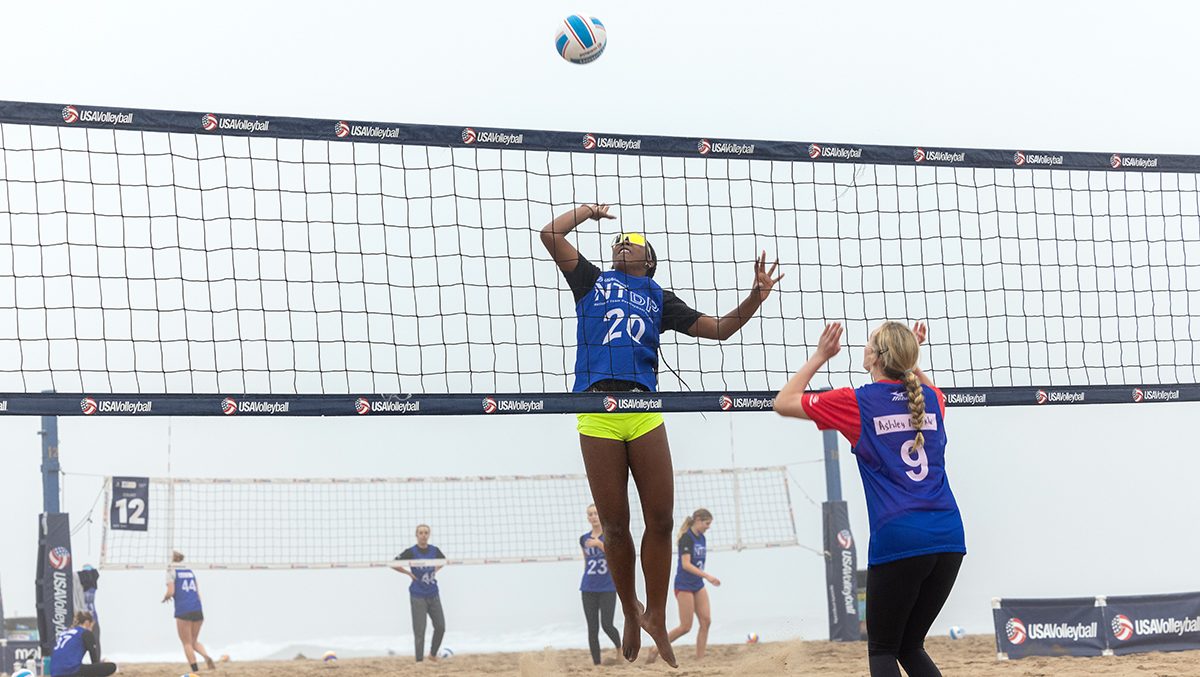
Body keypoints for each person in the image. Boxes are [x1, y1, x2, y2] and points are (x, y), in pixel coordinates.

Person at [541, 203, 782, 666]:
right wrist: (589, 213)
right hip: (597, 409)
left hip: (644, 407)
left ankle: (654, 612)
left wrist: (755, 296)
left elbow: (720, 329)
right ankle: (630, 610)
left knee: (662, 519)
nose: (621, 242)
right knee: (614, 524)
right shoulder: (591, 280)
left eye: (630, 240)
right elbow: (550, 234)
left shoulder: (656, 295)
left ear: (648, 259)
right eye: (617, 241)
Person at [773, 321, 966, 677]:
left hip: (902, 537)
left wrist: (820, 356)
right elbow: (926, 388)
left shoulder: (857, 402)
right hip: (950, 539)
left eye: (868, 343)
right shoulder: (932, 401)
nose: (863, 347)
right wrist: (910, 360)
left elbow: (783, 402)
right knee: (910, 646)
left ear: (876, 357)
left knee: (882, 650)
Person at [651, 508, 720, 663]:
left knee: (706, 621)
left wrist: (704, 578)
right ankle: (657, 648)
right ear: (697, 520)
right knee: (685, 626)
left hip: (697, 584)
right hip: (684, 585)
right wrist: (708, 576)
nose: (708, 527)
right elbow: (686, 564)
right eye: (706, 523)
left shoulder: (702, 537)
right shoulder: (686, 538)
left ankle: (700, 658)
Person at [393, 524, 447, 663]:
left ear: (429, 535)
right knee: (420, 631)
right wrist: (408, 573)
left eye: (426, 532)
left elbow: (444, 560)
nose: (423, 535)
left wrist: (435, 569)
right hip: (417, 595)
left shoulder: (434, 550)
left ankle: (433, 654)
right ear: (416, 535)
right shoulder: (411, 551)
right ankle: (419, 661)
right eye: (421, 533)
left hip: (433, 593)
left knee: (440, 626)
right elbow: (393, 563)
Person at [579, 503, 620, 665]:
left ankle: (620, 649)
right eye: (590, 514)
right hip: (588, 587)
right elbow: (586, 562)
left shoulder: (609, 537)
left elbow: (615, 557)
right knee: (592, 628)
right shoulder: (584, 539)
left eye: (596, 513)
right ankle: (597, 664)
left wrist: (599, 544)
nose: (593, 517)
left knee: (607, 624)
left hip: (608, 587)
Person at [162, 550, 216, 673]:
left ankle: (195, 670)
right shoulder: (189, 571)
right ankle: (206, 657)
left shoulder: (171, 571)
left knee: (186, 643)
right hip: (197, 608)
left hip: (183, 609)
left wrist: (165, 597)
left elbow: (171, 591)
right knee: (194, 641)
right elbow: (197, 592)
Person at [49, 611, 116, 677]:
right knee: (111, 666)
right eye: (91, 626)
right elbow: (94, 660)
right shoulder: (86, 633)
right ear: (87, 623)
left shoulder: (65, 632)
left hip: (54, 672)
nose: (92, 629)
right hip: (71, 670)